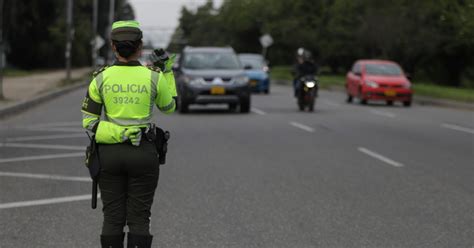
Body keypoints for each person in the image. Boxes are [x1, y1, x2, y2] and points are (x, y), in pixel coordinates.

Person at [81, 20, 176, 248]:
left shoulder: (100, 78)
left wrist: (119, 133)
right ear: (140, 47)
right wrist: (168, 71)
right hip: (143, 152)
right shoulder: (154, 77)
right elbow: (170, 106)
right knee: (140, 218)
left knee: (112, 218)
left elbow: (89, 123)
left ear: (113, 47)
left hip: (109, 155)